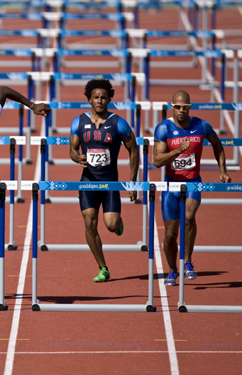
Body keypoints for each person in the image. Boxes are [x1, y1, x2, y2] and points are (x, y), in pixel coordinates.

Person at [153, 90, 231, 286]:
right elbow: (156, 161)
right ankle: (172, 270)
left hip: (193, 182)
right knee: (170, 235)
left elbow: (217, 144)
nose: (181, 110)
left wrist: (223, 170)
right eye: (177, 107)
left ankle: (187, 261)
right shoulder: (163, 128)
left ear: (189, 107)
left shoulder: (201, 125)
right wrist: (178, 151)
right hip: (170, 184)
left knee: (188, 217)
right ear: (172, 107)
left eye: (185, 107)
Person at [69, 79, 139, 282]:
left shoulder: (119, 123)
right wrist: (78, 158)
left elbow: (133, 150)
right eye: (96, 97)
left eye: (103, 98)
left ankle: (117, 223)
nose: (99, 100)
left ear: (109, 100)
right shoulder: (78, 122)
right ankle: (103, 267)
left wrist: (132, 182)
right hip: (88, 182)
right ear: (89, 99)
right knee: (89, 224)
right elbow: (72, 151)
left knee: (110, 225)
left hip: (110, 183)